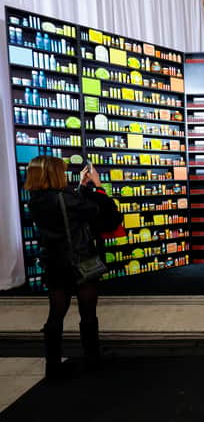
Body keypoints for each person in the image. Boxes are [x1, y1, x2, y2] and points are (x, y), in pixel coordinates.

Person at [25, 156, 122, 379]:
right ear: (55, 174)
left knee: (55, 315)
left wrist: (78, 187)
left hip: (54, 264)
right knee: (87, 313)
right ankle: (92, 359)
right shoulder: (68, 199)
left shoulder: (35, 200)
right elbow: (107, 215)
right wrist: (97, 186)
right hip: (80, 262)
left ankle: (52, 366)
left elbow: (65, 208)